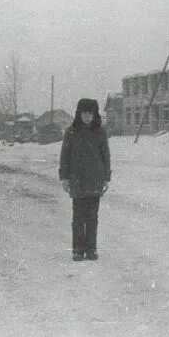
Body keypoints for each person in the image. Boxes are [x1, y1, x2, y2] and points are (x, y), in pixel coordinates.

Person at [59, 98, 111, 261]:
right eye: (84, 113)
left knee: (92, 217)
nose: (87, 116)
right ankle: (77, 250)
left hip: (95, 180)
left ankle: (91, 249)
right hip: (77, 180)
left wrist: (106, 178)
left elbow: (106, 156)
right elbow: (65, 157)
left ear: (95, 114)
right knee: (78, 217)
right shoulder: (71, 132)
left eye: (90, 113)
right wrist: (65, 178)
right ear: (79, 114)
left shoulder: (100, 132)